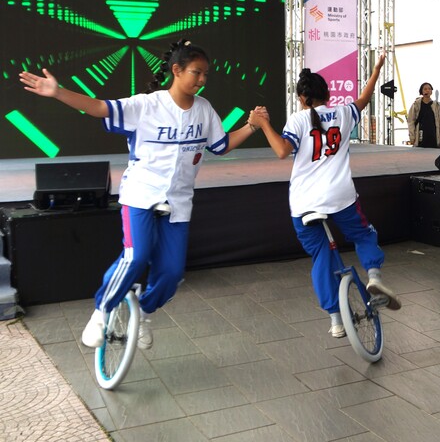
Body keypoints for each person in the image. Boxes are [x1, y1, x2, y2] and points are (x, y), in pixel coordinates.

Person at [18, 39, 263, 349]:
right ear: (177, 70)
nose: (202, 80)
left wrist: (252, 126)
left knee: (172, 272)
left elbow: (221, 145)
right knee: (137, 256)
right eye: (196, 72)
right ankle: (101, 312)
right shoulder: (147, 105)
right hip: (140, 194)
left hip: (178, 202)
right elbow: (100, 107)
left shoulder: (204, 110)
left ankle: (144, 314)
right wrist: (58, 92)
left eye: (206, 74)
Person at [248, 54, 400, 337]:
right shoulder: (343, 113)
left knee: (321, 255)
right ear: (326, 94)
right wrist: (376, 70)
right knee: (363, 235)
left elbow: (282, 151)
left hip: (304, 203)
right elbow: (364, 99)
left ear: (302, 98)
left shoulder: (297, 120)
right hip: (340, 196)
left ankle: (336, 320)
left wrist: (263, 123)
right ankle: (374, 276)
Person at [407, 82, 440, 148]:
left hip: (433, 135)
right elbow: (411, 121)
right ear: (421, 91)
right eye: (425, 89)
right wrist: (412, 137)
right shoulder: (416, 104)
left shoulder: (436, 105)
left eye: (429, 89)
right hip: (421, 135)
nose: (427, 90)